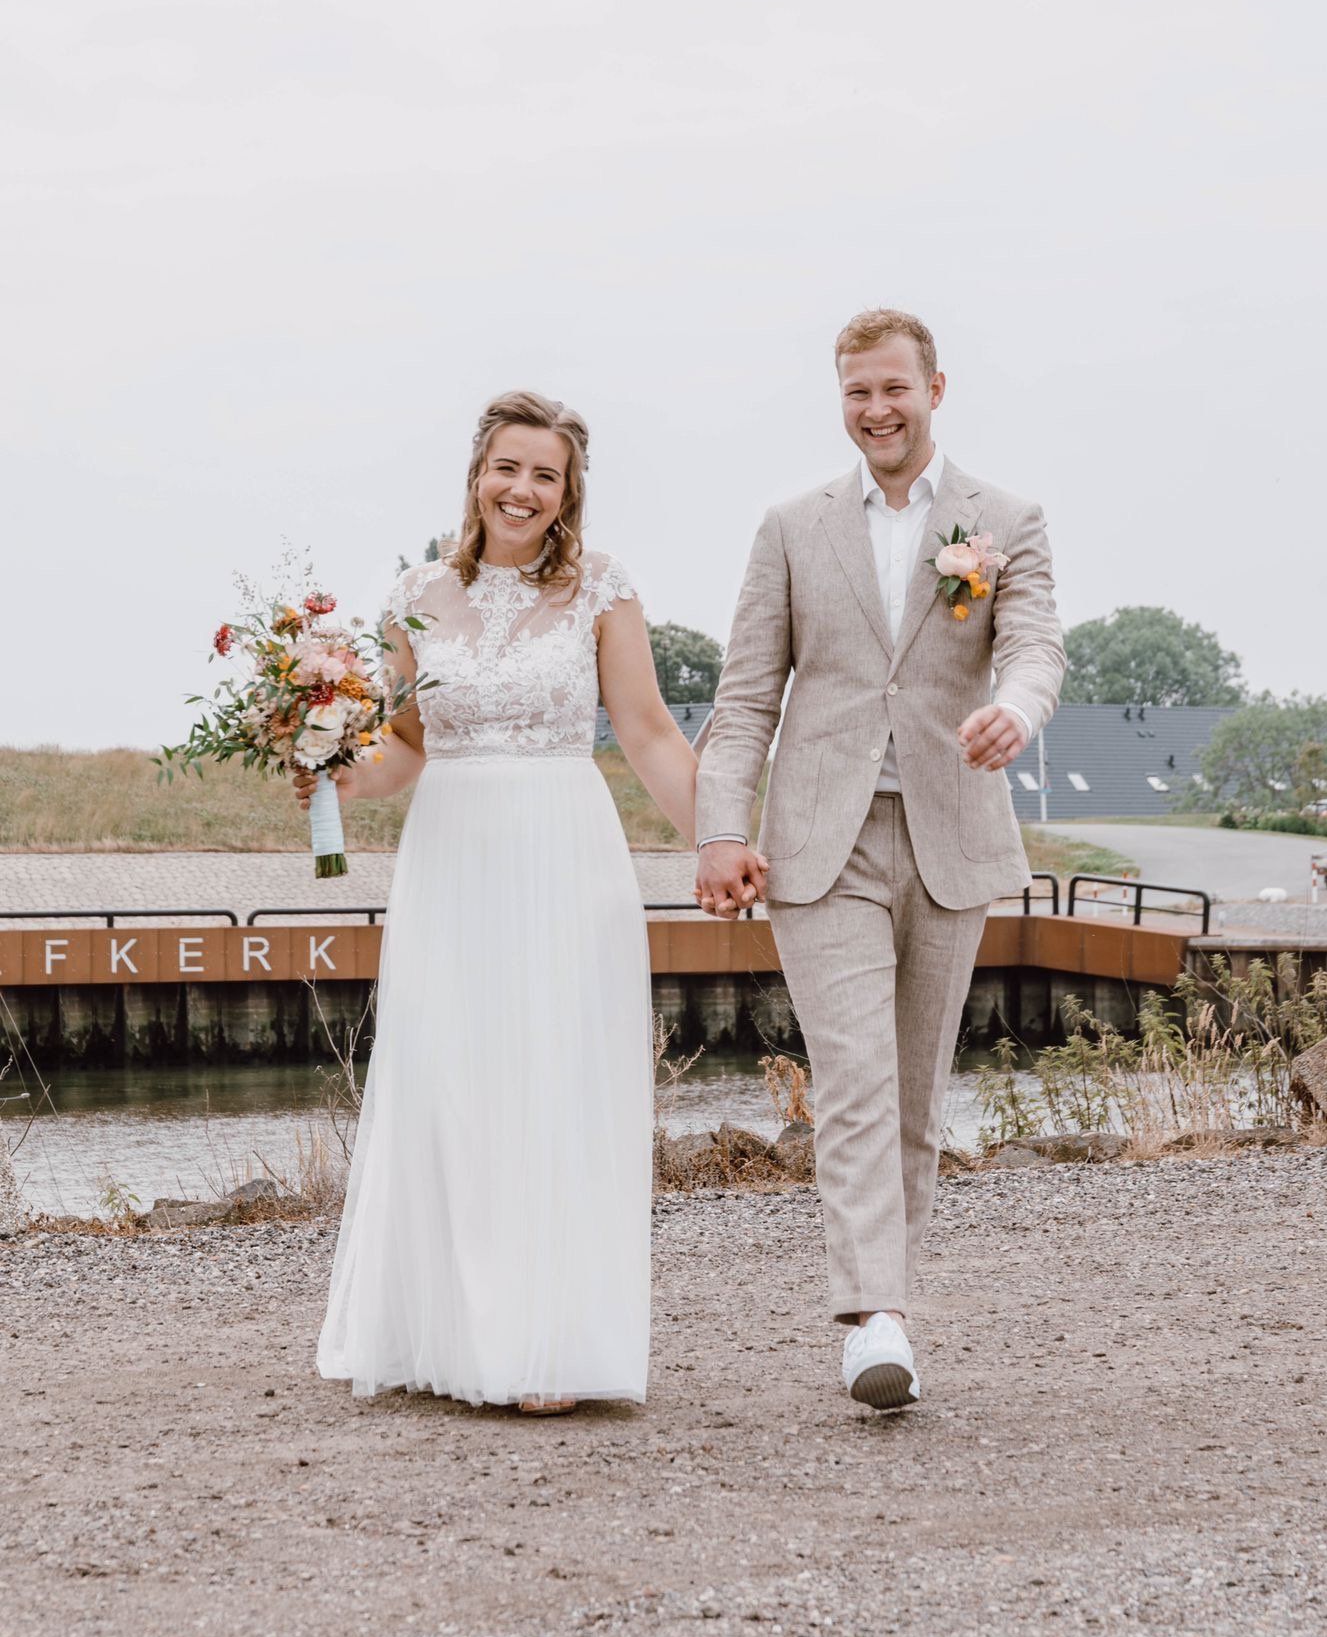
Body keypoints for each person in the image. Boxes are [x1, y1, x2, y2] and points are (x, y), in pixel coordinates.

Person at [693, 308, 1065, 1411]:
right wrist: (722, 828)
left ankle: (887, 1301)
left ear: (934, 390)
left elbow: (1035, 646)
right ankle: (873, 1321)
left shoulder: (1005, 520)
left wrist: (1015, 709)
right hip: (823, 844)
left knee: (913, 1094)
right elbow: (745, 697)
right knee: (854, 1079)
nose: (876, 409)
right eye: (857, 391)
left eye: (894, 388)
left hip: (951, 834)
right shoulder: (790, 527)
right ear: (841, 398)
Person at [304, 390, 700, 1413]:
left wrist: (724, 838)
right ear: (478, 473)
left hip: (563, 849)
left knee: (553, 1074)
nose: (522, 489)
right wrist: (332, 769)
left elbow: (648, 731)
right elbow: (404, 745)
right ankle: (454, 1334)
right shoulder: (416, 594)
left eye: (545, 475)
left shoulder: (603, 589)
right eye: (507, 468)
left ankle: (546, 1343)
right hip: (450, 856)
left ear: (568, 491)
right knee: (451, 1078)